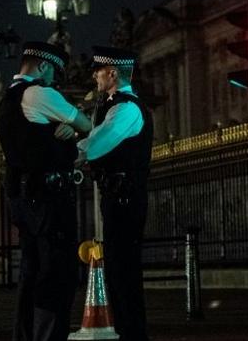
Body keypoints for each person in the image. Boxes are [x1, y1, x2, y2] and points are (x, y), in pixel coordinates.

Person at [0, 41, 92, 341]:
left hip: (21, 197)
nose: (55, 81)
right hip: (49, 196)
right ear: (44, 66)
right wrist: (73, 130)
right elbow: (86, 124)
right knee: (57, 274)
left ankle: (25, 336)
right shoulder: (39, 93)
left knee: (31, 271)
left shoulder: (7, 99)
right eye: (55, 74)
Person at [76, 46, 154, 341]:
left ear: (112, 73)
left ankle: (133, 334)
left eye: (98, 71)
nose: (94, 76)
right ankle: (127, 331)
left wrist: (65, 155)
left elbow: (98, 143)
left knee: (124, 273)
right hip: (116, 196)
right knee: (118, 272)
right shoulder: (112, 105)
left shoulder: (127, 108)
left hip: (126, 197)